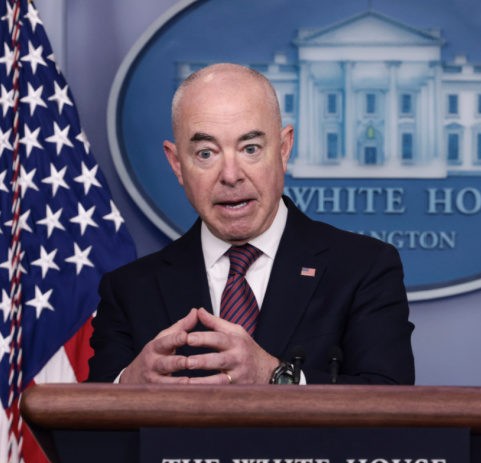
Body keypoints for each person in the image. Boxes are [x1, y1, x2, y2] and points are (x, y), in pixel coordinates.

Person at [88, 63, 414, 385]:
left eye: (250, 149)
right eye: (205, 153)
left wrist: (275, 376)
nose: (231, 175)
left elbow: (392, 402)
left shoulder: (364, 268)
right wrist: (128, 383)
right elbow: (90, 426)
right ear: (176, 164)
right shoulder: (129, 290)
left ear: (284, 149)